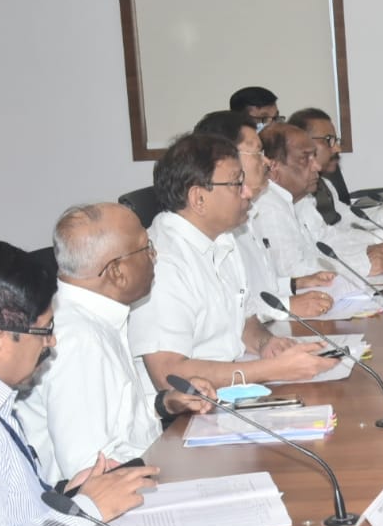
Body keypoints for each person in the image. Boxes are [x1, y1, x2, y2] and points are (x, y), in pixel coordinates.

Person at [0, 239, 158, 526]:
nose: (52, 342)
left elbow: (9, 513)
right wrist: (90, 508)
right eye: (44, 330)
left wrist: (70, 494)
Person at [16, 204, 215, 482]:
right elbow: (91, 471)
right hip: (117, 492)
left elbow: (111, 419)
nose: (155, 256)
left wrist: (163, 404)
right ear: (116, 272)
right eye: (147, 248)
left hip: (141, 466)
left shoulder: (95, 315)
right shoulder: (78, 339)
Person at [128, 133, 337, 389]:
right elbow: (168, 374)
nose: (247, 192)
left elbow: (243, 318)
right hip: (188, 406)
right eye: (237, 184)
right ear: (198, 198)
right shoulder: (163, 263)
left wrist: (266, 343)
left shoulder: (223, 239)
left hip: (230, 386)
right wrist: (271, 370)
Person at [193, 110, 335, 320]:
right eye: (257, 152)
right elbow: (227, 313)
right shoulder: (212, 229)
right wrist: (286, 305)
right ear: (222, 159)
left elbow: (255, 288)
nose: (268, 162)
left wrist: (294, 284)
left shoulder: (246, 213)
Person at [251, 123, 383, 278]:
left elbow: (329, 239)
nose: (317, 167)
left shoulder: (300, 199)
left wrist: (375, 246)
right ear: (273, 168)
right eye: (305, 159)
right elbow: (291, 271)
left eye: (314, 157)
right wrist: (362, 264)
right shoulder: (268, 207)